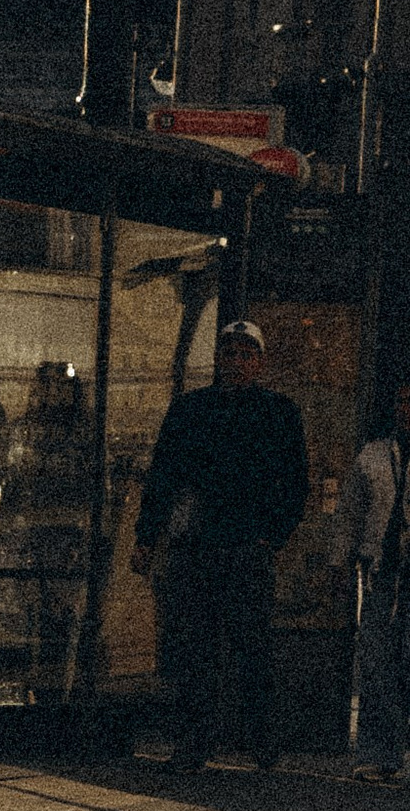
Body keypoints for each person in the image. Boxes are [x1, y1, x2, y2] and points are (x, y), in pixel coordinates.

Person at [130, 317, 312, 769]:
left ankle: (258, 740)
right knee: (200, 650)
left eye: (245, 354)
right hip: (204, 545)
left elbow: (295, 484)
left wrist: (272, 536)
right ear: (220, 360)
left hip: (242, 545)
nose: (236, 362)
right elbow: (163, 477)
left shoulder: (269, 413)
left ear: (260, 362)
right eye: (230, 353)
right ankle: (206, 740)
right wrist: (146, 537)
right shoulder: (199, 411)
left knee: (249, 648)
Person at [340, 375, 410, 780]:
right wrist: (339, 562)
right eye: (402, 401)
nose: (407, 409)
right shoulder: (373, 455)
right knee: (377, 660)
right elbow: (351, 512)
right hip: (382, 571)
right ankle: (380, 752)